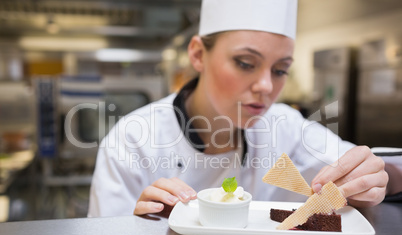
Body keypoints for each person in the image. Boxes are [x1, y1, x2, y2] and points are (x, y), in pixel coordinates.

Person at [88, 0, 400, 217]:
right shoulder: (132, 140)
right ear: (198, 54)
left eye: (280, 69)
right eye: (245, 63)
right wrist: (135, 231)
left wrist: (379, 177)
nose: (266, 86)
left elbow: (371, 168)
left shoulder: (286, 127)